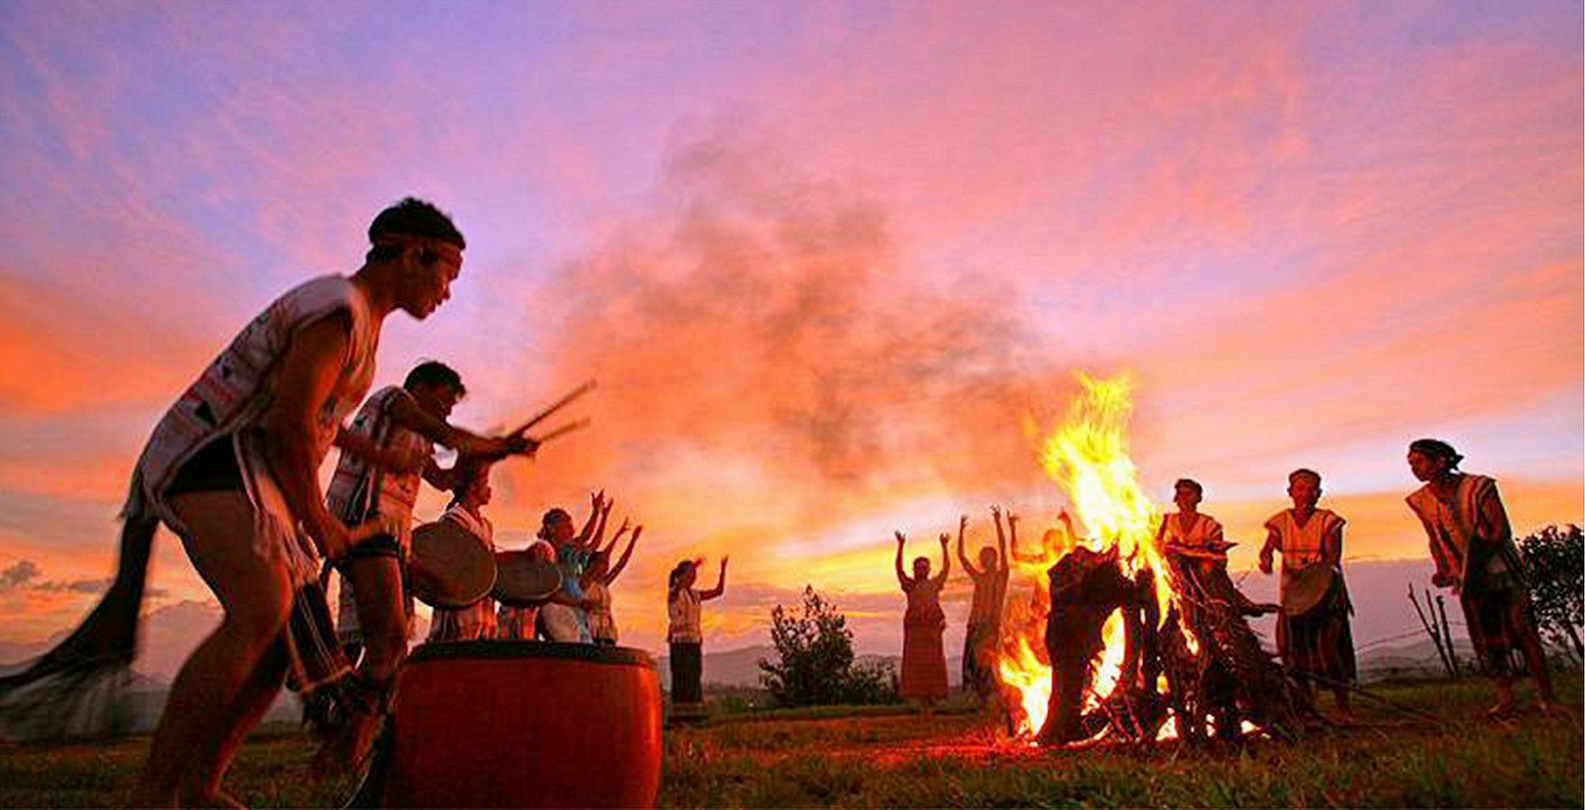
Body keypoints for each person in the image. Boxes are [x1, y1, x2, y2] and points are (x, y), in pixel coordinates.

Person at [0, 198, 486, 807]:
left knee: (275, 646)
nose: (446, 291)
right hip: (213, 453)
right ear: (411, 251)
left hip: (253, 474)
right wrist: (319, 520)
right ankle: (154, 798)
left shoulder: (357, 326)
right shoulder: (339, 311)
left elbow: (319, 417)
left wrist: (387, 458)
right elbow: (287, 425)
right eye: (446, 272)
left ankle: (201, 786)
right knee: (263, 607)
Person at [1405, 439, 1557, 719]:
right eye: (1411, 463)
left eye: (1420, 461)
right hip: (1466, 576)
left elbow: (1500, 530)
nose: (1414, 467)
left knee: (1522, 630)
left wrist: (1476, 559)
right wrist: (1443, 568)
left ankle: (1547, 698)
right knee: (1486, 638)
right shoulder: (1420, 500)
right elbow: (1434, 538)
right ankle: (1505, 698)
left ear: (1441, 461)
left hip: (1501, 570)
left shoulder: (1479, 486)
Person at [1258, 469, 1355, 718]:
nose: (1306, 493)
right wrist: (1266, 559)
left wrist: (1315, 575)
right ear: (1290, 492)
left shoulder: (1329, 521)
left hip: (1325, 594)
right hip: (1292, 597)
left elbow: (1333, 558)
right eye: (1300, 488)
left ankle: (1343, 704)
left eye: (1312, 488)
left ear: (1319, 493)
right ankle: (1305, 703)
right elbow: (1267, 548)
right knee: (1293, 650)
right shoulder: (1280, 521)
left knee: (1328, 649)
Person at [425, 465, 500, 643]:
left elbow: (491, 563)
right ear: (472, 487)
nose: (489, 489)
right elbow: (461, 562)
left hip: (482, 602)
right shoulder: (454, 519)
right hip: (461, 600)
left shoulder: (486, 525)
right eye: (486, 483)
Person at [535, 493, 607, 642]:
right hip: (561, 613)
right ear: (551, 528)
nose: (572, 528)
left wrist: (603, 517)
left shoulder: (570, 552)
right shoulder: (548, 551)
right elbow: (585, 537)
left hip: (577, 612)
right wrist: (595, 512)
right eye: (566, 524)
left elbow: (593, 544)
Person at [957, 513, 1009, 711]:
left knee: (988, 663)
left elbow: (1004, 550)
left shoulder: (1001, 576)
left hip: (991, 624)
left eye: (990, 556)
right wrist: (961, 530)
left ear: (994, 559)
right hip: (975, 624)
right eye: (984, 557)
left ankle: (996, 699)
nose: (986, 560)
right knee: (974, 664)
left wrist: (998, 523)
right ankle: (982, 701)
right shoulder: (978, 578)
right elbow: (961, 557)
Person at [895, 530, 950, 705]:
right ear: (915, 570)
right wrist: (901, 546)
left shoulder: (934, 584)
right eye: (919, 568)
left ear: (928, 569)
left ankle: (932, 696)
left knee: (933, 661)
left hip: (932, 626)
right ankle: (919, 697)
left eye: (925, 567)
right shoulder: (910, 585)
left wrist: (944, 547)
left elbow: (946, 569)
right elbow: (899, 570)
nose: (922, 570)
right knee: (915, 662)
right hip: (915, 626)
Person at [667, 556, 728, 708]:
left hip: (694, 640)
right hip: (679, 642)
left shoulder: (695, 594)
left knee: (694, 676)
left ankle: (694, 708)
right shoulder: (674, 593)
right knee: (681, 677)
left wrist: (722, 570)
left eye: (694, 575)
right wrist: (694, 565)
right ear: (680, 576)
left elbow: (718, 592)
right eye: (690, 574)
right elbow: (679, 585)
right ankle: (680, 710)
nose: (693, 577)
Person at [583, 519, 642, 646]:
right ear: (592, 565)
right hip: (591, 627)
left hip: (607, 628)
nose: (606, 566)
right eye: (603, 563)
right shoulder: (586, 581)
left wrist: (633, 540)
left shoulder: (604, 583)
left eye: (607, 563)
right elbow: (604, 555)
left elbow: (621, 564)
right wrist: (617, 535)